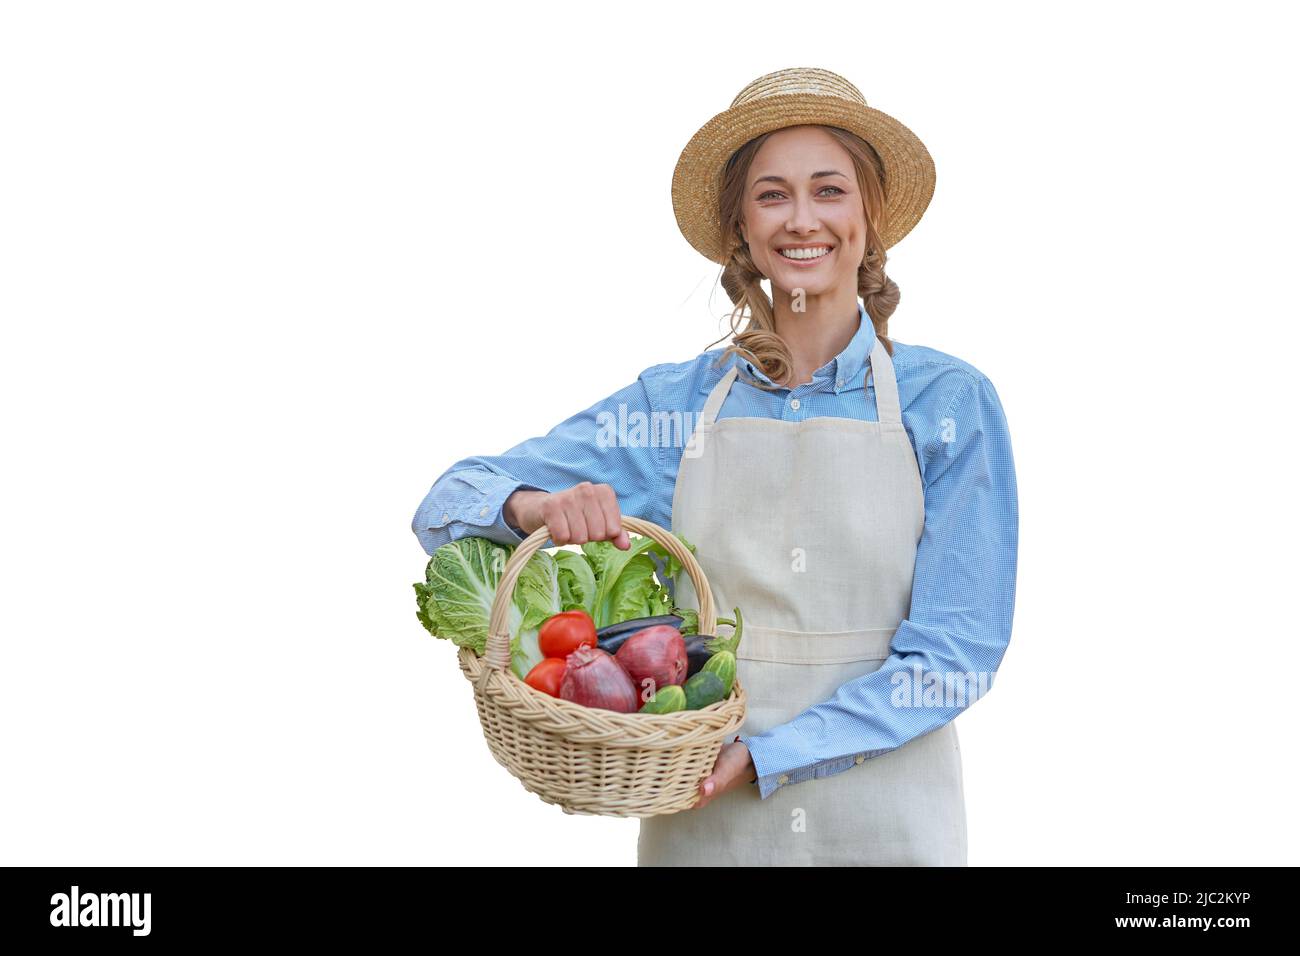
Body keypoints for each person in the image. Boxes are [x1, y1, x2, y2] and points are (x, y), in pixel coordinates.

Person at [411, 67, 1018, 866]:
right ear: (741, 225)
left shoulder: (948, 405)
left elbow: (954, 658)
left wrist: (775, 753)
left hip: (889, 819)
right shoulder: (672, 410)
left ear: (870, 215)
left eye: (829, 190)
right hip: (704, 819)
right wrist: (535, 507)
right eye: (772, 195)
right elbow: (446, 503)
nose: (803, 220)